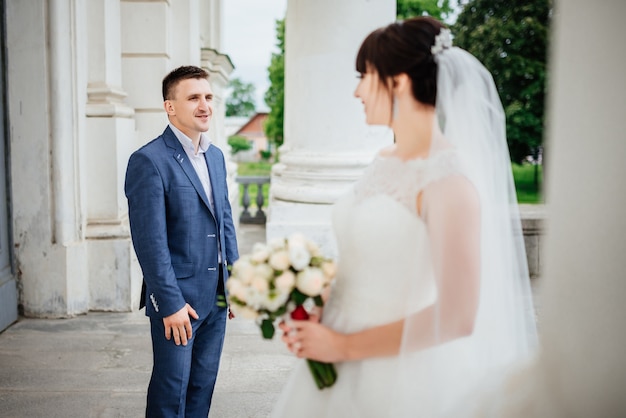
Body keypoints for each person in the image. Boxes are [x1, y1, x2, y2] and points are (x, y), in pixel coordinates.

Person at [272, 17, 538, 417]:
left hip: (401, 376)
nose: (357, 90)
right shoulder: (382, 161)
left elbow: (457, 317)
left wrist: (343, 346)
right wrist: (320, 305)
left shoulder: (450, 184)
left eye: (366, 75)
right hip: (336, 357)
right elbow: (366, 258)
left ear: (398, 81)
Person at [124, 65, 239, 417]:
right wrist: (170, 303)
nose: (204, 105)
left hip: (217, 295)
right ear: (170, 107)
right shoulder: (149, 160)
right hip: (178, 301)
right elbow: (150, 243)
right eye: (193, 98)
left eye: (208, 97)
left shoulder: (216, 156)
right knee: (171, 389)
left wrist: (234, 283)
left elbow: (225, 223)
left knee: (202, 387)